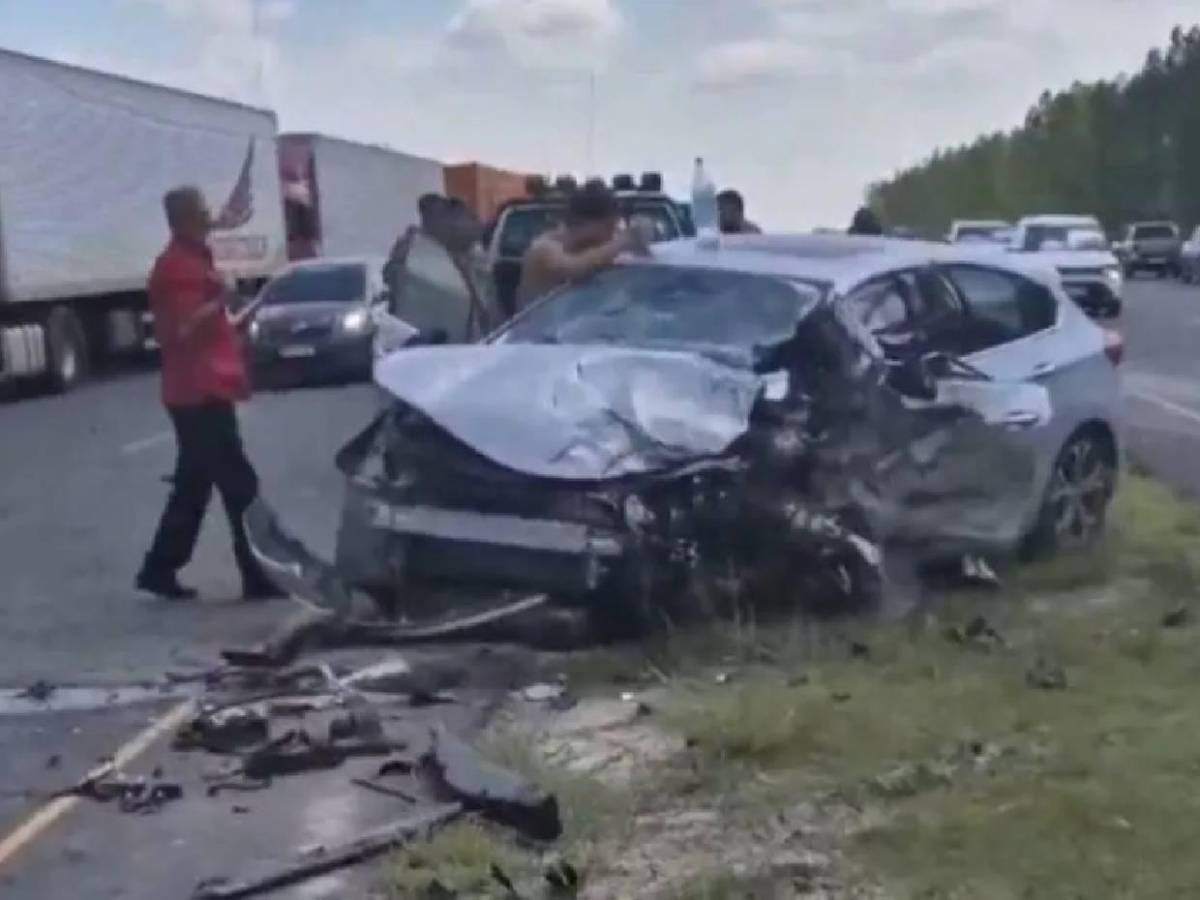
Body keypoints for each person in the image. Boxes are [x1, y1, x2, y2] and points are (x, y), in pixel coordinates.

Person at [136, 186, 278, 601]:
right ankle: (257, 576)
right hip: (196, 394)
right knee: (239, 484)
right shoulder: (175, 267)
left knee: (194, 484)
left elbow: (210, 319)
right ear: (183, 219)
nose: (208, 216)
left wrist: (234, 315)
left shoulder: (195, 257)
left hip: (206, 387)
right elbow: (179, 330)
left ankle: (159, 569)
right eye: (201, 211)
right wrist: (220, 303)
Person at [516, 182, 649, 310]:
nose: (611, 235)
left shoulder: (586, 252)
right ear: (588, 223)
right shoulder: (545, 247)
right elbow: (572, 268)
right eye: (609, 227)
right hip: (538, 330)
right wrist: (625, 240)